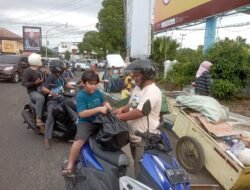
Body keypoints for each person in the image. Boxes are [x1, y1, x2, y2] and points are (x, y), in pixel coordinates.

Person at [114, 59, 162, 177]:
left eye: (137, 75)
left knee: (142, 171)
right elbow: (133, 105)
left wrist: (118, 117)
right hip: (134, 136)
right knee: (137, 166)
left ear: (146, 75)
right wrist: (120, 110)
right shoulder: (138, 88)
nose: (134, 78)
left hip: (145, 139)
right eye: (134, 75)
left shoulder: (152, 91)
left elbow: (139, 112)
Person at [62, 71, 112, 176]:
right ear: (84, 83)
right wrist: (98, 109)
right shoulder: (81, 96)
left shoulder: (98, 92)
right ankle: (70, 165)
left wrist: (106, 104)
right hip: (86, 122)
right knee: (79, 142)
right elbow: (82, 113)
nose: (93, 86)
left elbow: (102, 102)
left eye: (95, 83)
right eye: (90, 83)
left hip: (99, 120)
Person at [41, 60, 75, 149]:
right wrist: (50, 92)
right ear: (57, 69)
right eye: (61, 67)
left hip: (62, 99)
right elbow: (43, 88)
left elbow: (66, 85)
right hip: (53, 101)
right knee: (50, 117)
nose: (63, 68)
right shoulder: (51, 77)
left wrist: (76, 87)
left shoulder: (60, 77)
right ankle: (46, 140)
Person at [21, 53, 45, 133]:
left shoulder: (39, 70)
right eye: (39, 59)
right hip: (33, 92)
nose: (40, 61)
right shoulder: (28, 71)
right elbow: (24, 83)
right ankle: (38, 118)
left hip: (40, 89)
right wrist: (34, 83)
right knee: (41, 98)